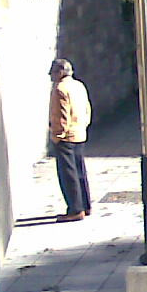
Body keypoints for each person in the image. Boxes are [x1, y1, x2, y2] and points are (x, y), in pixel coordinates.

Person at [48, 58, 92, 222]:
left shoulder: (60, 89)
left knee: (68, 174)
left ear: (59, 72)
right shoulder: (78, 85)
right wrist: (83, 125)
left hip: (66, 136)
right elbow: (87, 108)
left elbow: (60, 115)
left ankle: (75, 209)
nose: (51, 76)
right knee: (79, 171)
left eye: (53, 72)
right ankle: (85, 205)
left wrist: (57, 135)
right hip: (79, 132)